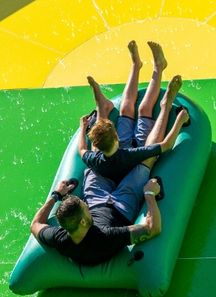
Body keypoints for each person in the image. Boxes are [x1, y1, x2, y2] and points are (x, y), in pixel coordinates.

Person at [29, 72, 185, 266]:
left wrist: (55, 195)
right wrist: (150, 195)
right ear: (83, 222)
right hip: (121, 206)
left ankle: (102, 109)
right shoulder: (106, 237)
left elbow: (35, 225)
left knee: (95, 164)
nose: (84, 204)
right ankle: (165, 106)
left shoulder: (61, 237)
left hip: (97, 197)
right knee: (146, 162)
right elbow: (152, 228)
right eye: (83, 206)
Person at [78, 41, 190, 184]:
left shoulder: (96, 159)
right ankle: (159, 66)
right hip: (133, 156)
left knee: (125, 107)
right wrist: (179, 121)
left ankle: (136, 65)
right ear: (116, 135)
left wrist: (83, 130)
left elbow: (82, 149)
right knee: (144, 109)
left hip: (118, 152)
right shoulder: (131, 155)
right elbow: (166, 145)